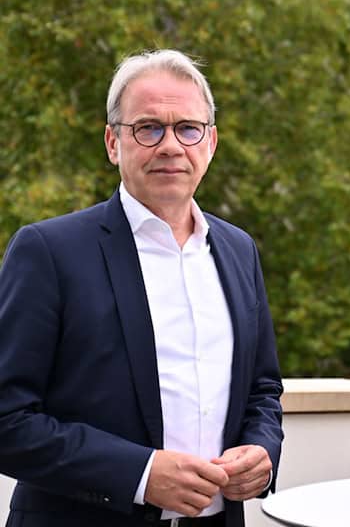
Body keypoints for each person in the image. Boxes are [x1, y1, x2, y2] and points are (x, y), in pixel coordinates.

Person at [0, 49, 283, 526]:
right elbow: (6, 419)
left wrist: (262, 448)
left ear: (210, 142)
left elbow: (262, 388)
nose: (171, 145)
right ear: (113, 143)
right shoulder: (48, 251)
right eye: (148, 128)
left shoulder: (238, 250)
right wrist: (140, 474)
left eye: (188, 128)